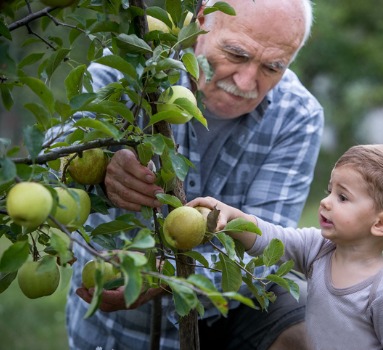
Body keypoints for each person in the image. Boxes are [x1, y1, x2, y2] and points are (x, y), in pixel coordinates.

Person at [65, 0, 324, 349]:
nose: (247, 80)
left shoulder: (298, 114)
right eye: (236, 53)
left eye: (273, 67)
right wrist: (99, 162)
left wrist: (166, 272)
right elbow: (54, 149)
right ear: (201, 23)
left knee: (312, 324)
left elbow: (266, 253)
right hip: (115, 329)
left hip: (223, 316)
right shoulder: (131, 67)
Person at [189, 144, 383, 350]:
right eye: (330, 191)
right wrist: (230, 216)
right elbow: (271, 238)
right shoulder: (319, 248)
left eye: (342, 197)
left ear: (381, 223)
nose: (325, 202)